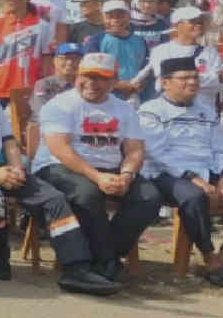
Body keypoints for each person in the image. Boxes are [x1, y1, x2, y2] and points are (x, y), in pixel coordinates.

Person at [0, 48, 119, 294]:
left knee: (54, 199)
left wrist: (17, 167)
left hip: (0, 166)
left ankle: (76, 268)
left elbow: (9, 141)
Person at [139, 57, 223, 288]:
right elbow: (156, 154)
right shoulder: (150, 110)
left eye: (195, 78)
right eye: (184, 78)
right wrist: (194, 178)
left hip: (208, 169)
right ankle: (209, 256)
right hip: (168, 173)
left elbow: (221, 147)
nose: (192, 83)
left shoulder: (206, 110)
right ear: (165, 82)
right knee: (193, 196)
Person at [32, 53, 162, 281]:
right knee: (87, 194)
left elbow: (135, 150)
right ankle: (106, 262)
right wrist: (97, 177)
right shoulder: (60, 105)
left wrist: (127, 175)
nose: (92, 83)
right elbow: (60, 148)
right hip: (59, 166)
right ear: (77, 76)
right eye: (86, 76)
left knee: (149, 197)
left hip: (111, 168)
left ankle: (104, 255)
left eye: (100, 78)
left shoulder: (124, 109)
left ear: (113, 82)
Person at [134, 6, 223, 110]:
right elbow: (166, 80)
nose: (199, 25)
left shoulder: (211, 52)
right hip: (170, 112)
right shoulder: (161, 51)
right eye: (193, 21)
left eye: (201, 22)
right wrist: (208, 78)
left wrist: (182, 79)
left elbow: (219, 81)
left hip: (205, 113)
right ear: (177, 25)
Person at [82, 0, 148, 101]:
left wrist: (139, 84)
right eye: (110, 16)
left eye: (120, 16)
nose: (116, 20)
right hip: (106, 95)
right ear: (103, 18)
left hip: (138, 94)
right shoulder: (95, 41)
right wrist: (118, 85)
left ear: (129, 17)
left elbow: (145, 67)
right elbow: (90, 72)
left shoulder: (140, 41)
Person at [28, 43, 84, 152]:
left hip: (77, 133)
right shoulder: (44, 84)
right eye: (64, 58)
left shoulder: (85, 85)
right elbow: (42, 112)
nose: (70, 62)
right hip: (46, 133)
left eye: (75, 59)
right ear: (54, 61)